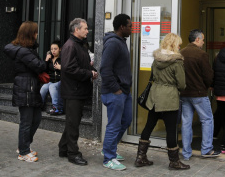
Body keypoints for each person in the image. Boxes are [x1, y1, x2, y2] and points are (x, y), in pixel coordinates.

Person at [138, 33, 190, 170]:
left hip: (154, 97)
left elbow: (154, 76)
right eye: (179, 43)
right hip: (169, 98)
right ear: (174, 44)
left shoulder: (156, 59)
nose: (180, 46)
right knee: (171, 130)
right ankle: (174, 162)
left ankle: (140, 157)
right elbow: (182, 84)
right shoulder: (177, 62)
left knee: (149, 125)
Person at [4, 21, 47, 163]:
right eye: (35, 32)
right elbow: (39, 66)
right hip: (26, 87)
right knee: (27, 121)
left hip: (30, 87)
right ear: (30, 34)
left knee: (36, 118)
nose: (37, 34)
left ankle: (24, 146)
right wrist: (46, 60)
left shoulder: (26, 49)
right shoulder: (23, 51)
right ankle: (23, 152)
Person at [59, 18, 98, 166]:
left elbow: (82, 65)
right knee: (73, 124)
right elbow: (69, 68)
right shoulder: (70, 46)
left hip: (79, 90)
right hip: (73, 91)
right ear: (77, 30)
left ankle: (63, 148)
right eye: (85, 28)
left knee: (72, 122)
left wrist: (92, 71)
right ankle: (73, 153)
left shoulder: (80, 45)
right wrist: (89, 74)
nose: (88, 31)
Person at [179, 29, 219, 160]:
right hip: (199, 93)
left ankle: (186, 152)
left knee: (186, 122)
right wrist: (206, 86)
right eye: (202, 39)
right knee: (207, 120)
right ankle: (206, 149)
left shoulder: (181, 53)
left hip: (184, 93)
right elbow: (208, 76)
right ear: (197, 39)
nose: (203, 42)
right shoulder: (201, 54)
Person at [100, 14, 133, 170]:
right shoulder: (113, 43)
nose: (131, 29)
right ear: (122, 27)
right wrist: (116, 89)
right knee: (114, 124)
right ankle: (108, 158)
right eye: (130, 26)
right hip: (115, 92)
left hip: (124, 92)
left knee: (126, 120)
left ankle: (109, 148)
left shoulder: (121, 42)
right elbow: (105, 69)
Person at [40, 40, 64, 115]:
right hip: (50, 80)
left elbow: (69, 69)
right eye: (52, 49)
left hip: (60, 80)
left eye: (55, 49)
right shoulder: (50, 59)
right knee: (44, 87)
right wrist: (46, 60)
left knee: (52, 87)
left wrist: (61, 67)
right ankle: (39, 106)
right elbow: (43, 69)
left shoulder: (63, 58)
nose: (53, 51)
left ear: (60, 49)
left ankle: (57, 108)